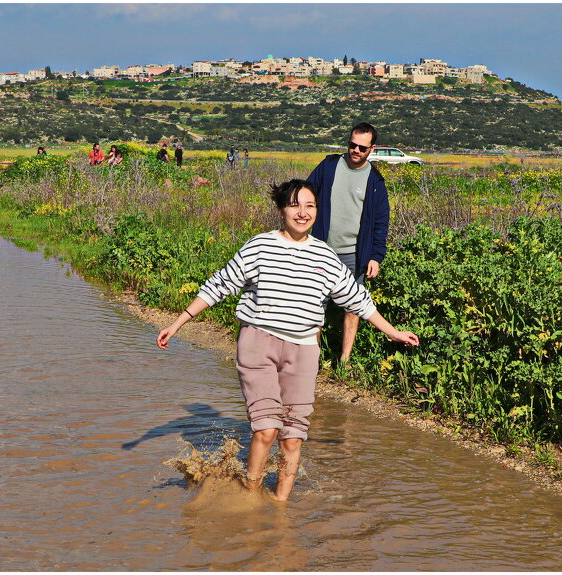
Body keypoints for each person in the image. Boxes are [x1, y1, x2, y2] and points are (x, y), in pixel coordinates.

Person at [157, 179, 419, 502]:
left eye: (309, 206)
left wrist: (393, 332)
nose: (302, 212)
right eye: (295, 205)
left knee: (292, 438)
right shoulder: (259, 246)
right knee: (266, 430)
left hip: (304, 351)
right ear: (281, 210)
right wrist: (178, 322)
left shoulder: (325, 255)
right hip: (258, 344)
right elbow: (219, 285)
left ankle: (279, 510)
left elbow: (357, 299)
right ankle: (249, 500)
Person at [306, 122, 390, 365]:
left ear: (371, 149)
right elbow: (306, 195)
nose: (355, 150)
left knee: (353, 307)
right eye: (352, 145)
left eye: (362, 148)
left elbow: (381, 223)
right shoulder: (329, 166)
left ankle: (344, 360)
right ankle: (312, 357)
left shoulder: (375, 181)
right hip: (321, 249)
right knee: (315, 306)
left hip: (355, 254)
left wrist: (376, 256)